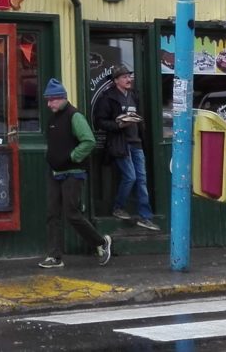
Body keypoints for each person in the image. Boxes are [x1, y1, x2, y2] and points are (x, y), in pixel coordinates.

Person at [39, 78, 112, 269]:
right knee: (52, 214)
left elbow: (89, 141)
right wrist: (51, 157)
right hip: (55, 172)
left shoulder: (75, 116)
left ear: (62, 98)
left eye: (52, 100)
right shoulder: (53, 119)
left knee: (72, 214)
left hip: (73, 172)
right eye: (47, 100)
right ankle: (54, 257)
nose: (49, 104)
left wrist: (71, 157)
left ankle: (101, 242)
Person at [95, 64, 159, 231]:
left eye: (129, 76)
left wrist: (138, 124)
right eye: (124, 77)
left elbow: (140, 117)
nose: (128, 79)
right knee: (130, 177)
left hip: (136, 142)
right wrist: (119, 124)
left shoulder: (134, 95)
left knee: (142, 180)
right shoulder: (108, 97)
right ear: (116, 80)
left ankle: (145, 217)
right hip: (120, 143)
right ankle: (118, 207)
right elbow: (100, 121)